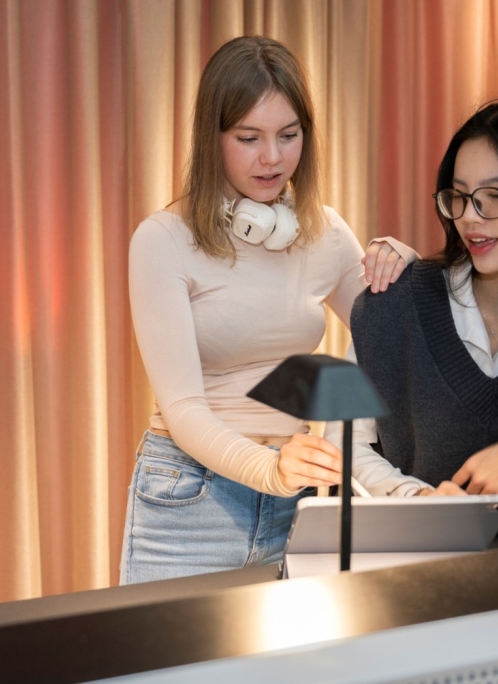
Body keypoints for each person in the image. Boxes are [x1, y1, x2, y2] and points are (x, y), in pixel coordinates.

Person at [119, 35, 417, 585]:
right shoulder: (162, 239)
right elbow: (182, 408)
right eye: (248, 137)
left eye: (289, 135)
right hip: (189, 496)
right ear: (212, 140)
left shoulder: (324, 232)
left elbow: (395, 334)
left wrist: (406, 271)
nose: (272, 158)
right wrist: (271, 470)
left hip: (293, 493)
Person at [325, 95, 498, 521]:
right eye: (458, 196)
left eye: (492, 195)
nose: (470, 217)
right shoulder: (395, 304)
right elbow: (345, 448)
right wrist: (418, 501)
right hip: (420, 575)